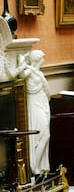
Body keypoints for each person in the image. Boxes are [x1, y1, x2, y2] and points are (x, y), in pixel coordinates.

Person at [18, 50, 51, 181]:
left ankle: (40, 168)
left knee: (45, 136)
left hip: (43, 104)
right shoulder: (30, 72)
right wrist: (22, 62)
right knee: (43, 135)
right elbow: (20, 75)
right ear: (37, 59)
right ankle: (34, 167)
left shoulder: (38, 72)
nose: (43, 60)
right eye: (42, 58)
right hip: (34, 105)